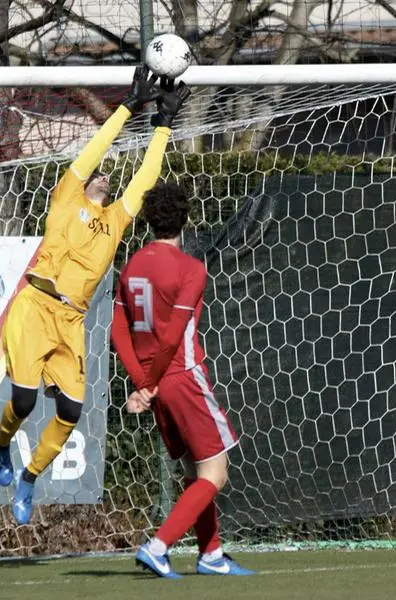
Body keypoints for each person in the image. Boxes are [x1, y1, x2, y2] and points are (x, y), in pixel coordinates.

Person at [0, 67, 192, 525]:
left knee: (70, 408)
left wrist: (163, 124)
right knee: (22, 402)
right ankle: (1, 443)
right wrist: (127, 106)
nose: (103, 175)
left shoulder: (116, 220)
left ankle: (29, 478)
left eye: (106, 175)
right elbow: (92, 152)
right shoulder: (66, 199)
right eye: (96, 174)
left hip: (72, 321)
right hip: (35, 306)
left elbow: (145, 178)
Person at [110, 181, 254, 578]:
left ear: (149, 222)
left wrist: (142, 383)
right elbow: (174, 336)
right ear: (185, 222)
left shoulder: (132, 265)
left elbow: (118, 331)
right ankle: (158, 547)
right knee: (216, 474)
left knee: (194, 472)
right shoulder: (191, 268)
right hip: (184, 379)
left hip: (158, 385)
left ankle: (211, 554)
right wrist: (152, 381)